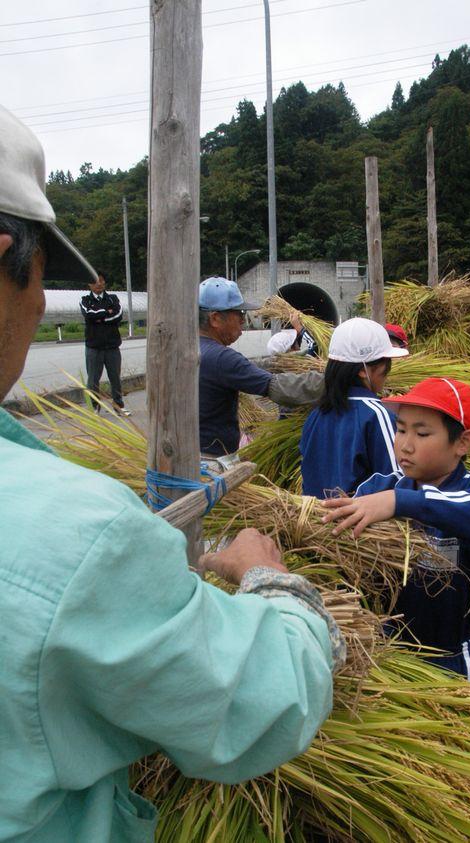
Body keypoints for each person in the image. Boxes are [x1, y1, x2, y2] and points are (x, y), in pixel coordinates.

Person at [0, 104, 344, 842]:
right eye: (37, 274)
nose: (36, 300)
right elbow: (255, 697)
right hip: (208, 467)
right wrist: (276, 584)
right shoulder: (74, 535)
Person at [321, 377, 470, 682]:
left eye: (422, 433)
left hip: (452, 659)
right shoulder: (379, 486)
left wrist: (400, 503)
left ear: (462, 443)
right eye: (400, 429)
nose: (405, 445)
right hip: (391, 650)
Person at [199, 276, 325, 457]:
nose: (243, 320)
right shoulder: (222, 358)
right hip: (209, 462)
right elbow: (280, 388)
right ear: (216, 318)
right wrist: (336, 379)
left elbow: (247, 368)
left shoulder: (189, 351)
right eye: (239, 314)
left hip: (183, 457)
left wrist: (281, 362)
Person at [299, 318, 408, 498]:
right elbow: (398, 480)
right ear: (363, 370)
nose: (387, 373)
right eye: (385, 364)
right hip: (360, 523)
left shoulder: (316, 415)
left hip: (317, 519)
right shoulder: (377, 414)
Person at [79, 271, 131, 416]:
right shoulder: (85, 300)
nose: (99, 284)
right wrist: (106, 313)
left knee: (115, 378)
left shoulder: (112, 298)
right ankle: (94, 407)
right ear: (89, 284)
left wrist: (100, 317)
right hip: (93, 347)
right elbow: (89, 315)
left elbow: (118, 315)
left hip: (112, 346)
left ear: (104, 282)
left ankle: (118, 405)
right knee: (93, 380)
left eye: (101, 281)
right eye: (95, 282)